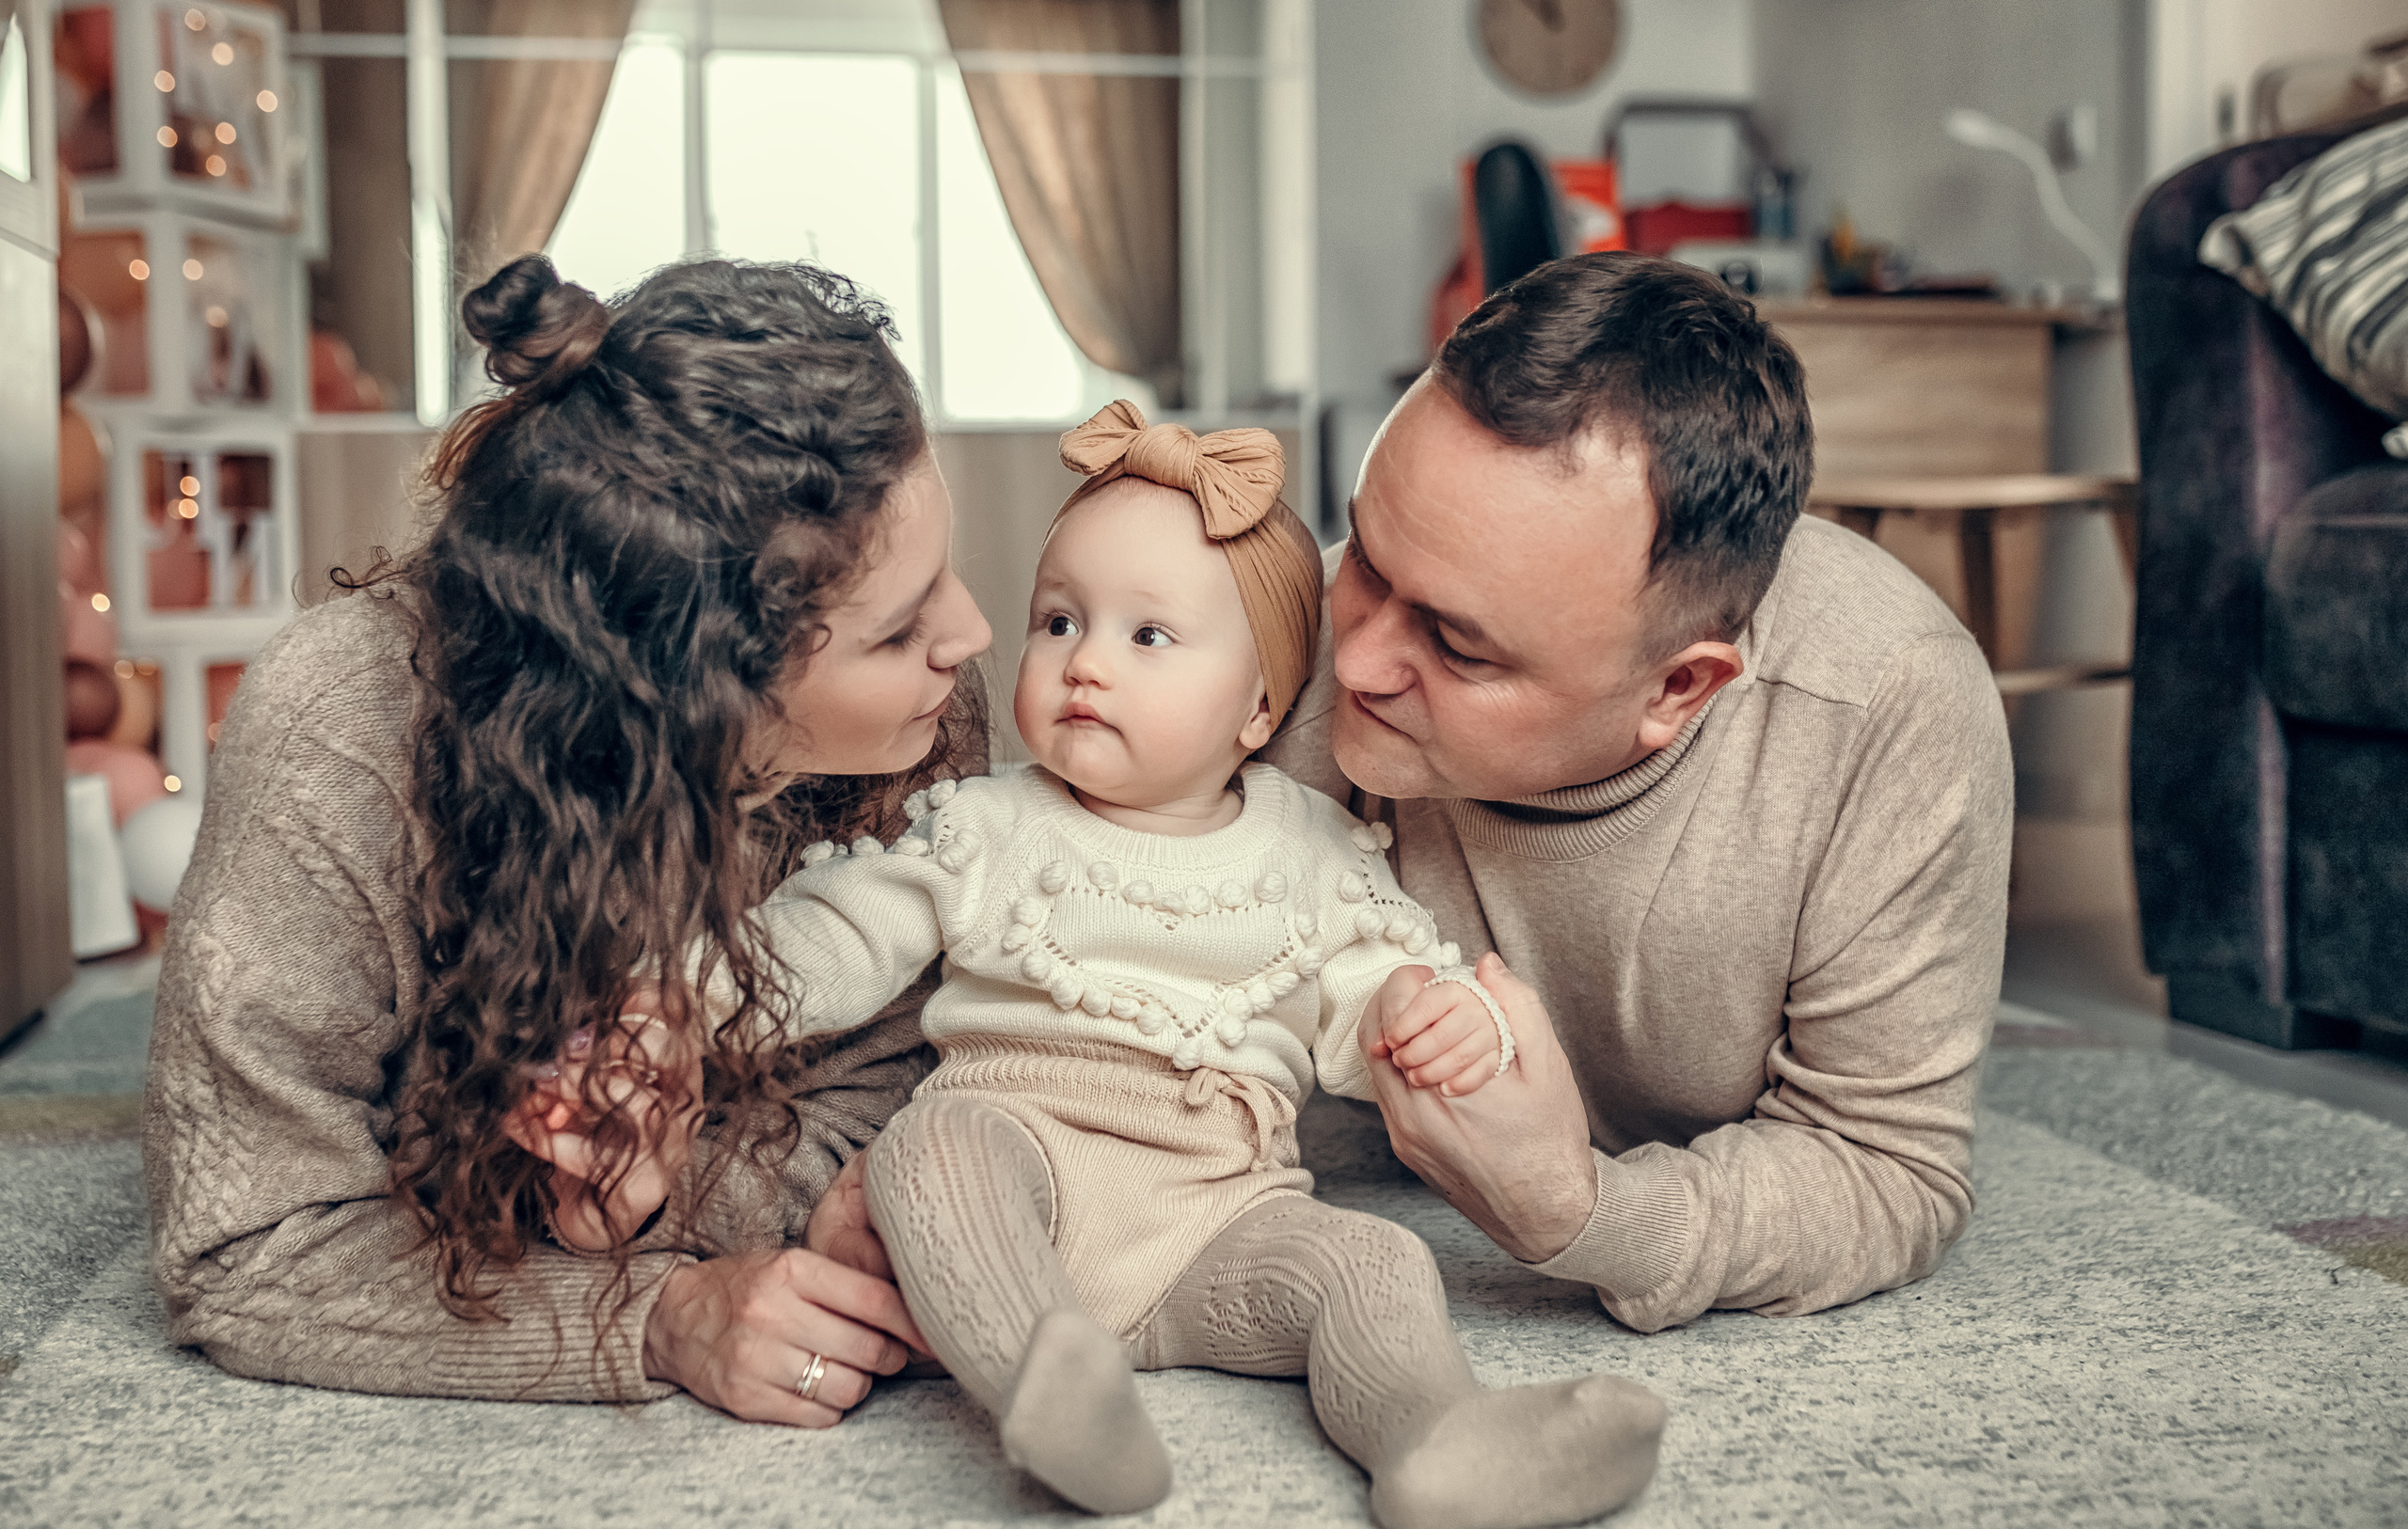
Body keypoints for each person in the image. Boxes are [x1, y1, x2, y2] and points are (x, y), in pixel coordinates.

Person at [722, 401, 1665, 1527]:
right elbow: (831, 939)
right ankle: (1050, 1386)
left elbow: (1384, 1004)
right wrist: (681, 1002)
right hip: (1022, 1182)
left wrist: (1448, 1023)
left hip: (1218, 1223)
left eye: (1148, 637)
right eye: (1059, 621)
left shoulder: (1314, 852)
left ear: (1259, 706)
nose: (1084, 664)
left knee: (1371, 1261)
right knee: (928, 1153)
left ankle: (1435, 1440)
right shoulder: (985, 823)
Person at [143, 255, 992, 1424]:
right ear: (691, 688)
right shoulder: (336, 732)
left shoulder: (921, 713)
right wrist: (657, 1312)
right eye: (896, 632)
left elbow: (898, 1091)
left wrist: (659, 1185)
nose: (971, 633)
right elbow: (248, 1242)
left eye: (943, 572)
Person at [1265, 251, 2014, 1335]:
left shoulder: (1883, 704)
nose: (1358, 660)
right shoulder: (1279, 629)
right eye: (1369, 560)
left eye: (1459, 647)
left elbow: (1885, 1169)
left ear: (1677, 689)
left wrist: (1577, 1209)